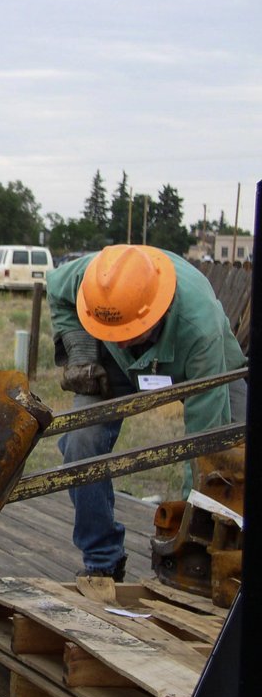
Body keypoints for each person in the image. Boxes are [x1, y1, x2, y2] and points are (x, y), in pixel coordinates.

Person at [47, 244, 247, 581]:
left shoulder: (201, 332)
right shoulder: (90, 276)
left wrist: (188, 534)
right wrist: (82, 354)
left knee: (232, 452)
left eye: (128, 331)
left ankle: (215, 560)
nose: (122, 340)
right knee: (80, 443)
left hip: (191, 361)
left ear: (157, 311)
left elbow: (202, 444)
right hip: (116, 368)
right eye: (113, 330)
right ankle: (102, 560)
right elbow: (56, 288)